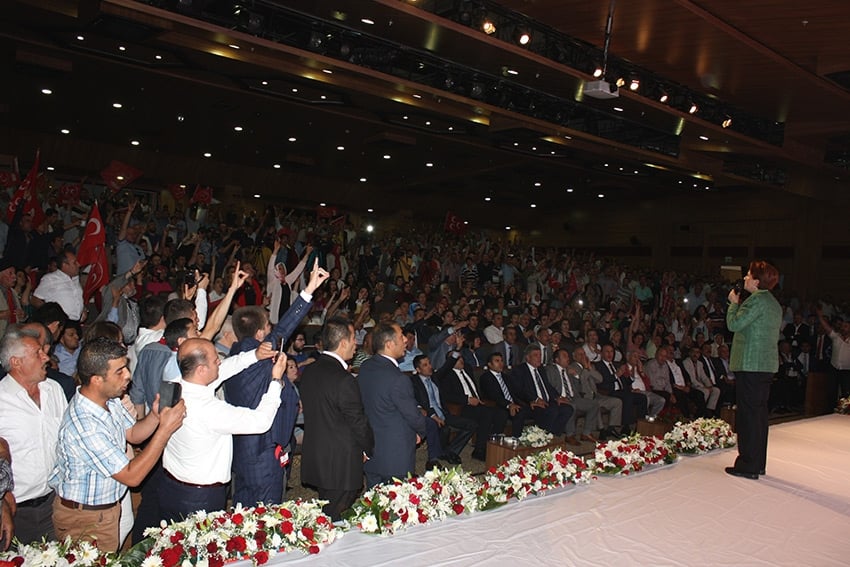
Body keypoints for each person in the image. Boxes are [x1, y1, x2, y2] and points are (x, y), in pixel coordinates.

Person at [49, 338, 185, 551]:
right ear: (96, 380)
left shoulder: (108, 399)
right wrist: (165, 431)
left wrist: (156, 416)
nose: (128, 375)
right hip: (85, 518)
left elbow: (133, 434)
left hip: (106, 510)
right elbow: (132, 476)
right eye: (119, 371)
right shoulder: (85, 424)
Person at [226, 259, 328, 507]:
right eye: (268, 328)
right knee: (265, 519)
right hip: (264, 451)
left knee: (243, 514)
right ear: (261, 334)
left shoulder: (234, 358)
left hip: (243, 451)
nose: (271, 331)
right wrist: (309, 289)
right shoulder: (257, 355)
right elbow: (285, 327)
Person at [159, 338, 283, 522]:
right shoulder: (209, 410)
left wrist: (254, 356)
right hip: (199, 498)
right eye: (215, 360)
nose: (219, 362)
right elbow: (260, 422)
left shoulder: (177, 384)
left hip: (171, 485)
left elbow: (223, 369)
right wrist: (276, 381)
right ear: (201, 370)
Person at [299, 317, 374, 521]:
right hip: (341, 462)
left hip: (319, 455)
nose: (355, 345)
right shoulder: (343, 379)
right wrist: (367, 448)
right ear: (343, 343)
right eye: (352, 340)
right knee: (335, 518)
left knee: (328, 511)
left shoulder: (310, 371)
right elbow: (357, 421)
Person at [0, 326, 67, 544]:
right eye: (37, 353)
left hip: (55, 503)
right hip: (15, 511)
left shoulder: (54, 390)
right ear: (16, 362)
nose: (46, 357)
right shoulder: (2, 400)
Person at [725, 261, 782, 480]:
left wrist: (733, 303)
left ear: (757, 282)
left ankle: (747, 464)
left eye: (748, 275)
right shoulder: (774, 303)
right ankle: (758, 463)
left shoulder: (756, 301)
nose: (745, 278)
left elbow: (734, 324)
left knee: (748, 416)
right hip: (765, 366)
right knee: (758, 416)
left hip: (750, 364)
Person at [358, 322, 426, 487]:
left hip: (371, 449)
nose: (405, 341)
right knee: (396, 506)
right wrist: (421, 431)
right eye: (401, 337)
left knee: (373, 502)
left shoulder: (366, 367)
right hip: (395, 454)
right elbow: (412, 415)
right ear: (389, 344)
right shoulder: (398, 379)